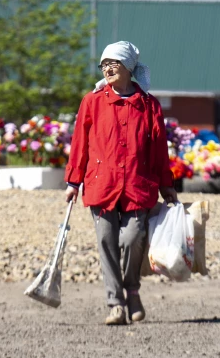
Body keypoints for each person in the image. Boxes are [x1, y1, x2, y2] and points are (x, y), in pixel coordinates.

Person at [64, 41, 177, 326]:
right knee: (106, 241)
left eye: (114, 63)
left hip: (139, 185)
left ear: (129, 68)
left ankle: (133, 291)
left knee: (132, 238)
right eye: (104, 64)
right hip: (101, 183)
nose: (108, 69)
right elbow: (80, 144)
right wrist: (73, 182)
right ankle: (115, 304)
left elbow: (159, 150)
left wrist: (167, 186)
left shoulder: (149, 106)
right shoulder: (92, 101)